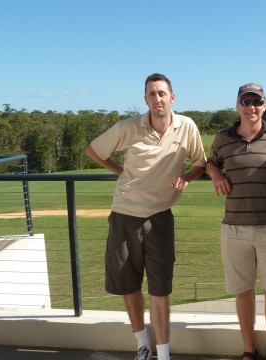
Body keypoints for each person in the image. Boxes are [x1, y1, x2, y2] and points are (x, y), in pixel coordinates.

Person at [86, 73, 207, 360]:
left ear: (172, 97)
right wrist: (121, 172)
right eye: (152, 94)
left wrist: (187, 176)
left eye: (162, 93)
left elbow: (201, 162)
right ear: (145, 99)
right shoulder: (128, 127)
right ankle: (142, 344)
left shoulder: (186, 126)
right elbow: (94, 150)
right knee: (129, 284)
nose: (157, 99)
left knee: (160, 289)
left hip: (160, 217)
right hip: (125, 215)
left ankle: (163, 354)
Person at [206, 83, 266, 360]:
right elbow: (210, 161)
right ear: (237, 106)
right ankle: (249, 350)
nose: (251, 107)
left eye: (256, 102)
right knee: (243, 292)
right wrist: (215, 173)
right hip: (234, 228)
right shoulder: (224, 137)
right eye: (245, 102)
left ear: (264, 106)